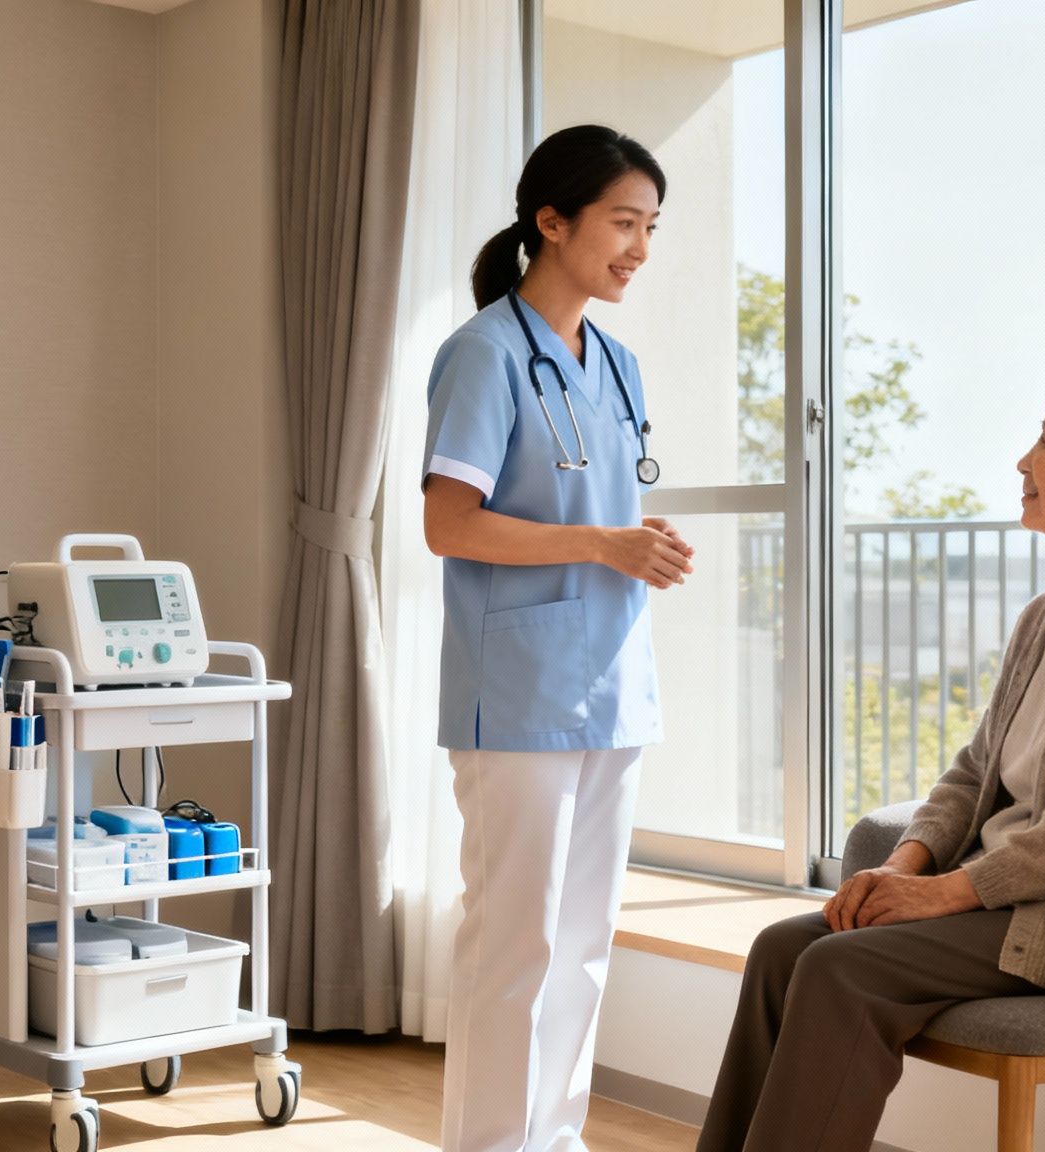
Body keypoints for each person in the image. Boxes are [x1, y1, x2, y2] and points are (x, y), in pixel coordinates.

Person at [696, 360, 1045, 1152]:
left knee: (839, 969)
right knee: (785, 947)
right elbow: (975, 768)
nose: (1022, 461)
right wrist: (908, 866)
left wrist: (948, 893)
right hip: (1002, 896)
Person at [421, 124, 695, 1152]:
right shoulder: (482, 354)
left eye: (650, 228)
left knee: (581, 944)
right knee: (514, 944)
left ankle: (554, 1140)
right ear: (552, 221)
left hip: (613, 681)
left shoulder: (617, 363)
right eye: (624, 222)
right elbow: (448, 524)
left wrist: (636, 542)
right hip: (519, 692)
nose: (638, 247)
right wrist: (598, 541)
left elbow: (600, 505)